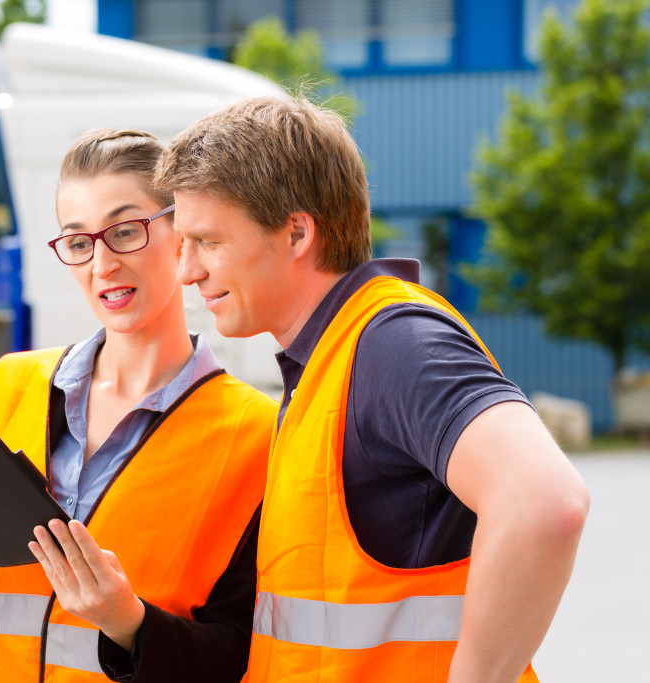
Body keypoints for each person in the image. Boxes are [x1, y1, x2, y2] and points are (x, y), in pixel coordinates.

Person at [154, 95, 590, 683]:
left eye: (208, 241)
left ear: (296, 233)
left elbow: (545, 503)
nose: (187, 270)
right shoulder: (331, 357)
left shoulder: (393, 345)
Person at [0, 129, 276, 682]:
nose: (101, 264)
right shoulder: (7, 386)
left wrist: (128, 622)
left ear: (181, 234)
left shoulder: (257, 436)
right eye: (79, 242)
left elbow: (237, 658)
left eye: (126, 231)